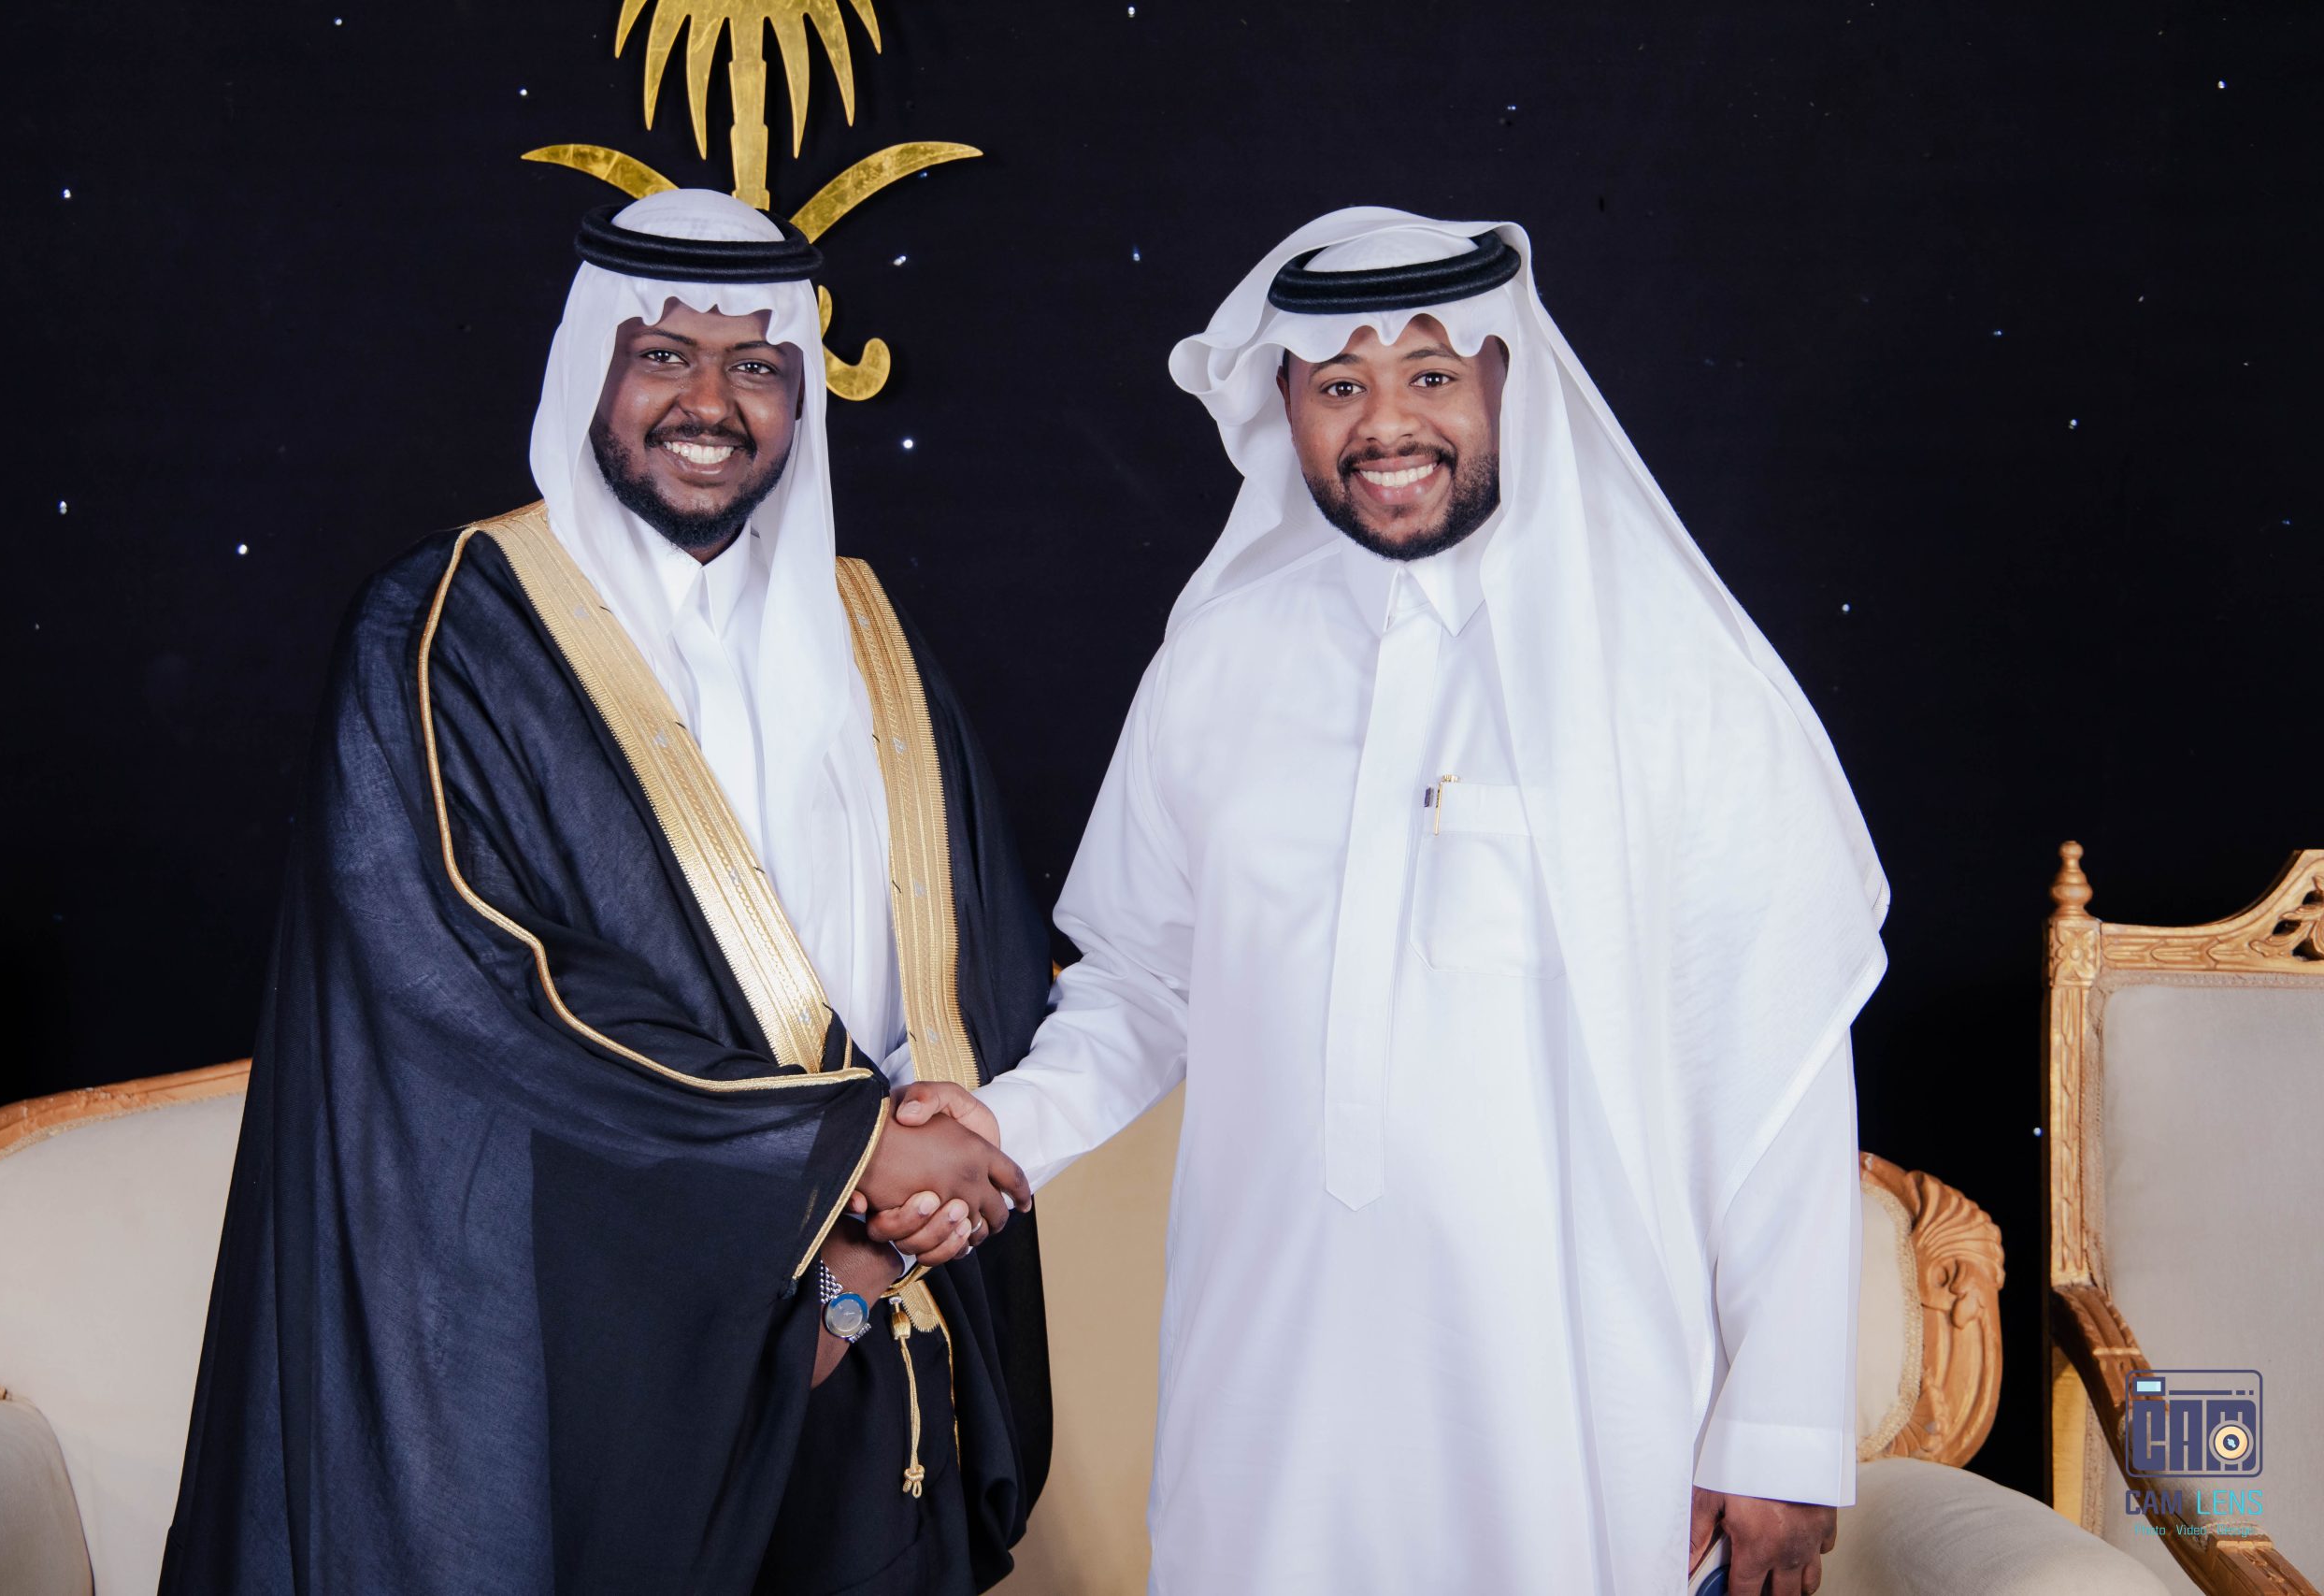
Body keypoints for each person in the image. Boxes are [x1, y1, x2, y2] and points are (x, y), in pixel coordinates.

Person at [897, 209, 1886, 1594]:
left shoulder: (1674, 680)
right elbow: (1140, 986)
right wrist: (1000, 1129)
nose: (1385, 424)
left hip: (1577, 1397)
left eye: (1430, 375)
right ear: (1286, 407)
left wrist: (1779, 1431)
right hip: (1273, 1382)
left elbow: (1776, 1074)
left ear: (1506, 381)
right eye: (1339, 384)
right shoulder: (1217, 662)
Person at [162, 189, 1051, 1596]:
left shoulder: (868, 634)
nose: (711, 403)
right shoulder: (449, 625)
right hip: (578, 1339)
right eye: (664, 357)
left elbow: (971, 957)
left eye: (756, 366)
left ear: (801, 396)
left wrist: (902, 1215)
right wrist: (840, 1154)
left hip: (870, 1307)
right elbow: (468, 975)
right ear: (594, 370)